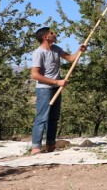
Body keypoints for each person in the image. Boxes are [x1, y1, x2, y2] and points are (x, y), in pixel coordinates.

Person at [30, 27, 86, 155]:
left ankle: (51, 145)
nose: (54, 34)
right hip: (44, 90)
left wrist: (80, 51)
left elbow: (71, 58)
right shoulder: (39, 53)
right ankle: (36, 148)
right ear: (45, 37)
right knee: (42, 118)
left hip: (56, 88)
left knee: (53, 118)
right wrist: (57, 82)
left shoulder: (56, 49)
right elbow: (35, 75)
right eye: (52, 33)